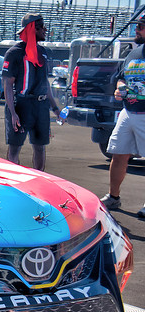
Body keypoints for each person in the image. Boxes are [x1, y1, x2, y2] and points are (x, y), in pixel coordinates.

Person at [2, 13, 60, 171]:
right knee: (15, 147)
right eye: (41, 26)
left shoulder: (44, 52)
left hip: (40, 106)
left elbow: (45, 83)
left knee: (40, 146)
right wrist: (13, 113)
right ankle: (13, 181)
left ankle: (39, 178)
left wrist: (55, 108)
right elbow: (7, 84)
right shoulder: (14, 53)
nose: (45, 30)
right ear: (32, 29)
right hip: (21, 105)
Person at [99, 15, 145, 218]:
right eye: (137, 26)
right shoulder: (133, 53)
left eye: (141, 27)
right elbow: (120, 78)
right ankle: (113, 197)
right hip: (128, 112)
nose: (137, 30)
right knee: (118, 154)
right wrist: (120, 89)